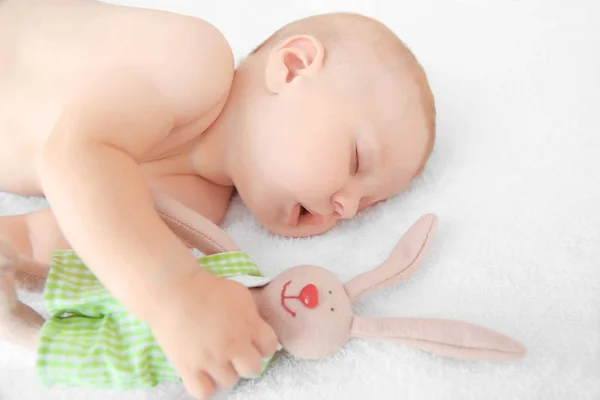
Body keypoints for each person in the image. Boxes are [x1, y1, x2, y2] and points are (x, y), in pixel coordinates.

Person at [0, 0, 436, 398]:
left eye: (367, 204)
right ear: (292, 67)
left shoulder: (196, 207)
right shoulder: (195, 61)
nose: (347, 207)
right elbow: (76, 154)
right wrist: (175, 292)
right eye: (357, 160)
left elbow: (44, 239)